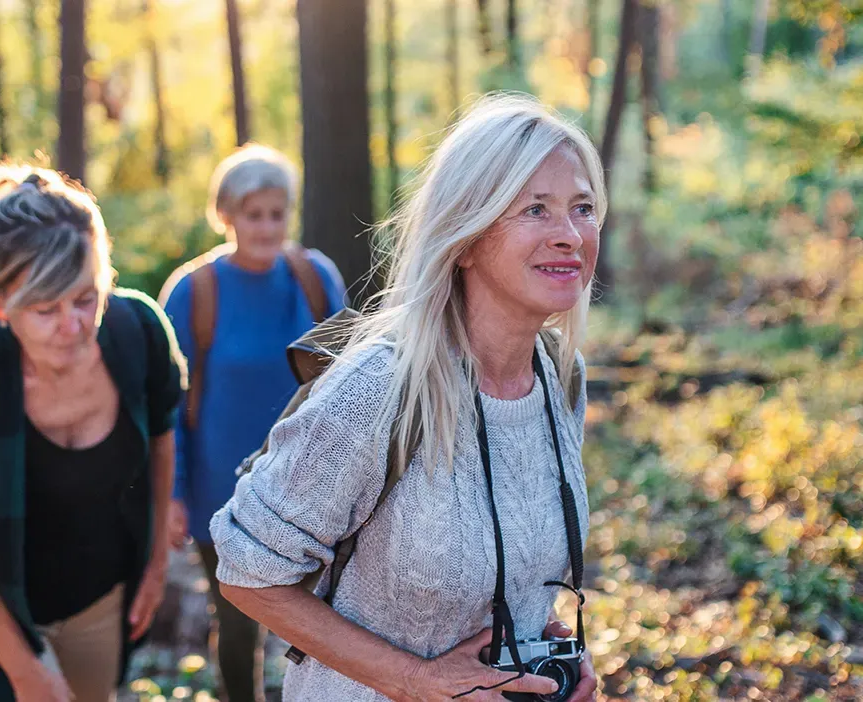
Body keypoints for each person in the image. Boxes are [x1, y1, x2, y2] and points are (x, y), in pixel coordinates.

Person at [208, 94, 603, 701]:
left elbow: (513, 565)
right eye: (535, 210)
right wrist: (416, 680)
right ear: (466, 237)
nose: (570, 235)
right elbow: (245, 570)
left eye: (582, 207)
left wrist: (548, 654)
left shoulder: (559, 376)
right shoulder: (379, 390)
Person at [0, 165, 186, 702]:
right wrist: (27, 670)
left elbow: (162, 439)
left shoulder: (138, 334)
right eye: (46, 308)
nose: (74, 325)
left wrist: (155, 564)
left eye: (86, 297)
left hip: (99, 600)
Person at [159, 144, 346, 702]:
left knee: (318, 618)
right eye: (253, 214)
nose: (266, 227)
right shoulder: (196, 291)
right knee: (239, 618)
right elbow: (169, 405)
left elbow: (350, 381)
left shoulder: (314, 277)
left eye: (277, 213)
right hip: (222, 489)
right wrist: (171, 494)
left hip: (308, 481)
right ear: (227, 215)